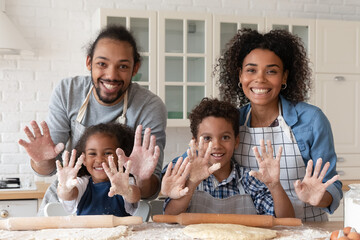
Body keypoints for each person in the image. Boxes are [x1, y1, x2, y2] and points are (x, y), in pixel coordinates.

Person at [18, 25, 167, 215]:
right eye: (102, 64)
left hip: (122, 206)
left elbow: (150, 190)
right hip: (65, 203)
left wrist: (141, 179)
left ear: (135, 68)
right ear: (89, 62)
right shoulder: (68, 91)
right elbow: (49, 168)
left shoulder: (150, 106)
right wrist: (42, 160)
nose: (111, 76)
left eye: (122, 66)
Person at [214, 28, 342, 221]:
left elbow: (332, 185)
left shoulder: (312, 120)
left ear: (284, 77)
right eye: (251, 70)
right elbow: (194, 160)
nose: (260, 79)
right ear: (240, 75)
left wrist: (319, 197)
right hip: (251, 230)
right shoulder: (231, 121)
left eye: (271, 71)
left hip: (305, 229)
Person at [161, 98, 295, 217]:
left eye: (225, 137)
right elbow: (170, 217)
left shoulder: (249, 180)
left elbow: (285, 220)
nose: (217, 145)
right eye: (207, 138)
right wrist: (192, 182)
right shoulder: (185, 176)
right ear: (195, 143)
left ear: (236, 141)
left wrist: (275, 186)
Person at [57, 123, 140, 216]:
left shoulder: (124, 182)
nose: (99, 159)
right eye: (92, 153)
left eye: (107, 153)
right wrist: (64, 189)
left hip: (122, 230)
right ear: (84, 159)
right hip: (85, 231)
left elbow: (134, 197)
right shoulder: (82, 184)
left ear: (121, 156)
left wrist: (127, 191)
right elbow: (68, 195)